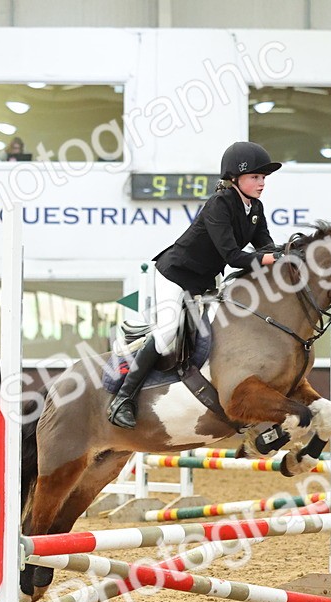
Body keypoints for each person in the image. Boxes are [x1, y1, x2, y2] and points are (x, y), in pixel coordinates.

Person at [107, 141, 281, 429]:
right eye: (255, 177)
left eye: (263, 178)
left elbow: (265, 245)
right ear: (235, 179)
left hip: (203, 282)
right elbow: (233, 256)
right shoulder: (220, 204)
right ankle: (123, 399)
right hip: (175, 274)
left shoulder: (255, 207)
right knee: (166, 334)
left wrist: (286, 253)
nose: (261, 183)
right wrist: (271, 258)